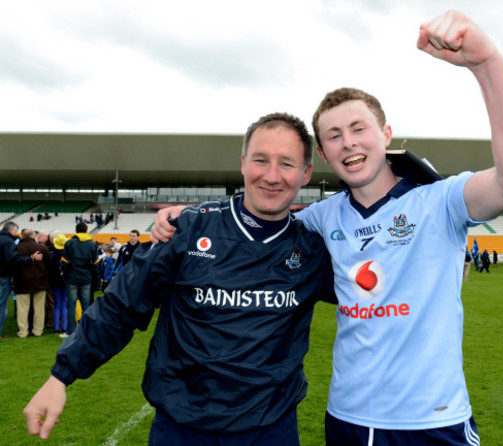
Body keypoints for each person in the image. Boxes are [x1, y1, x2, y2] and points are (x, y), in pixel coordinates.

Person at [151, 10, 503, 445]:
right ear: (323, 153)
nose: (349, 141)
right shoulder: (323, 216)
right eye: (334, 135)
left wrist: (486, 64)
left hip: (432, 422)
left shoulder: (439, 201)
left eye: (359, 128)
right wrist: (186, 213)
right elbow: (253, 215)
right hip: (347, 420)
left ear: (386, 133)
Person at [24, 112, 335, 445]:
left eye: (286, 164)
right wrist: (60, 376)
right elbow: (121, 305)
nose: (272, 176)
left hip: (271, 431)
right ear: (244, 163)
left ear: (306, 174)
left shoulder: (313, 250)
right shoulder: (187, 230)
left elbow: (379, 294)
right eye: (261, 160)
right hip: (182, 430)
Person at [0, 222, 43, 338]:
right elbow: (12, 259)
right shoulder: (8, 241)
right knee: (2, 305)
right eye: (16, 231)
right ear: (11, 231)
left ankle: (22, 331)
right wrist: (30, 259)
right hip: (3, 276)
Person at [60, 222, 100, 338]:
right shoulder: (92, 245)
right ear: (87, 230)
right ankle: (85, 331)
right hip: (86, 278)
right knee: (85, 305)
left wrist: (66, 274)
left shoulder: (70, 243)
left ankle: (70, 332)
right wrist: (93, 276)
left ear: (76, 231)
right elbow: (95, 264)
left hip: (72, 278)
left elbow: (64, 262)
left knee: (71, 305)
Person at [14, 229, 52, 338]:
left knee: (22, 309)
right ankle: (38, 331)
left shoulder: (16, 248)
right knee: (39, 308)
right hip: (40, 281)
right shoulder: (42, 248)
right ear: (34, 236)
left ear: (22, 237)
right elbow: (50, 266)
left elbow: (12, 264)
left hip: (21, 282)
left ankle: (22, 332)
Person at [50, 234, 68, 334]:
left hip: (55, 282)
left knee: (56, 305)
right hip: (65, 281)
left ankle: (56, 327)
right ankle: (64, 326)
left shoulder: (53, 255)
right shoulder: (68, 254)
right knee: (64, 304)